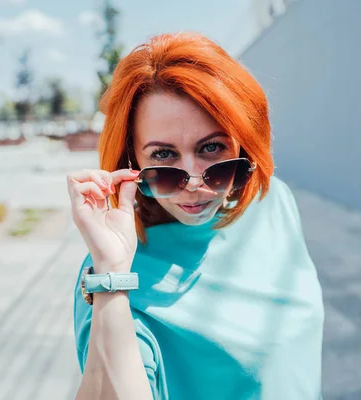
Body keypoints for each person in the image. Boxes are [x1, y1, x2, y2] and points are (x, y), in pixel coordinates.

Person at [70, 32, 324, 400]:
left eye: (211, 147)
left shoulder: (274, 202)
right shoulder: (113, 275)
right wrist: (113, 277)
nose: (192, 182)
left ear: (242, 141)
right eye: (163, 155)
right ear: (132, 160)